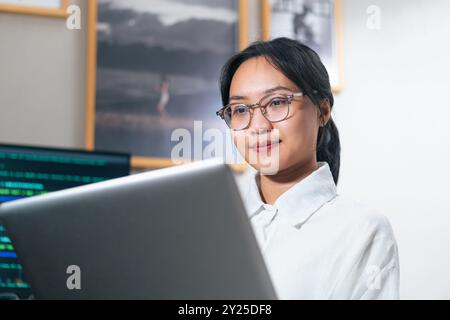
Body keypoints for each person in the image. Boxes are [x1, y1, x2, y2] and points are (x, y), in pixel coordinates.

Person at [216, 37, 400, 299]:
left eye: (277, 102)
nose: (257, 127)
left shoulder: (363, 231)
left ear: (322, 110)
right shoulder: (214, 224)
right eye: (241, 109)